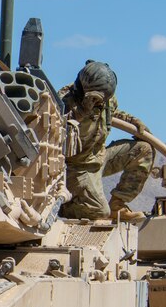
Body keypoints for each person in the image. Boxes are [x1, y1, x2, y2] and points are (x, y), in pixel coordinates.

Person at [58, 61, 152, 221]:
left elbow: (112, 112)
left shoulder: (107, 98)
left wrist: (132, 121)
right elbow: (53, 130)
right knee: (99, 213)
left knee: (143, 150)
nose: (101, 103)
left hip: (98, 158)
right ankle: (64, 206)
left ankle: (118, 206)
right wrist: (80, 112)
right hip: (75, 169)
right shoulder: (63, 102)